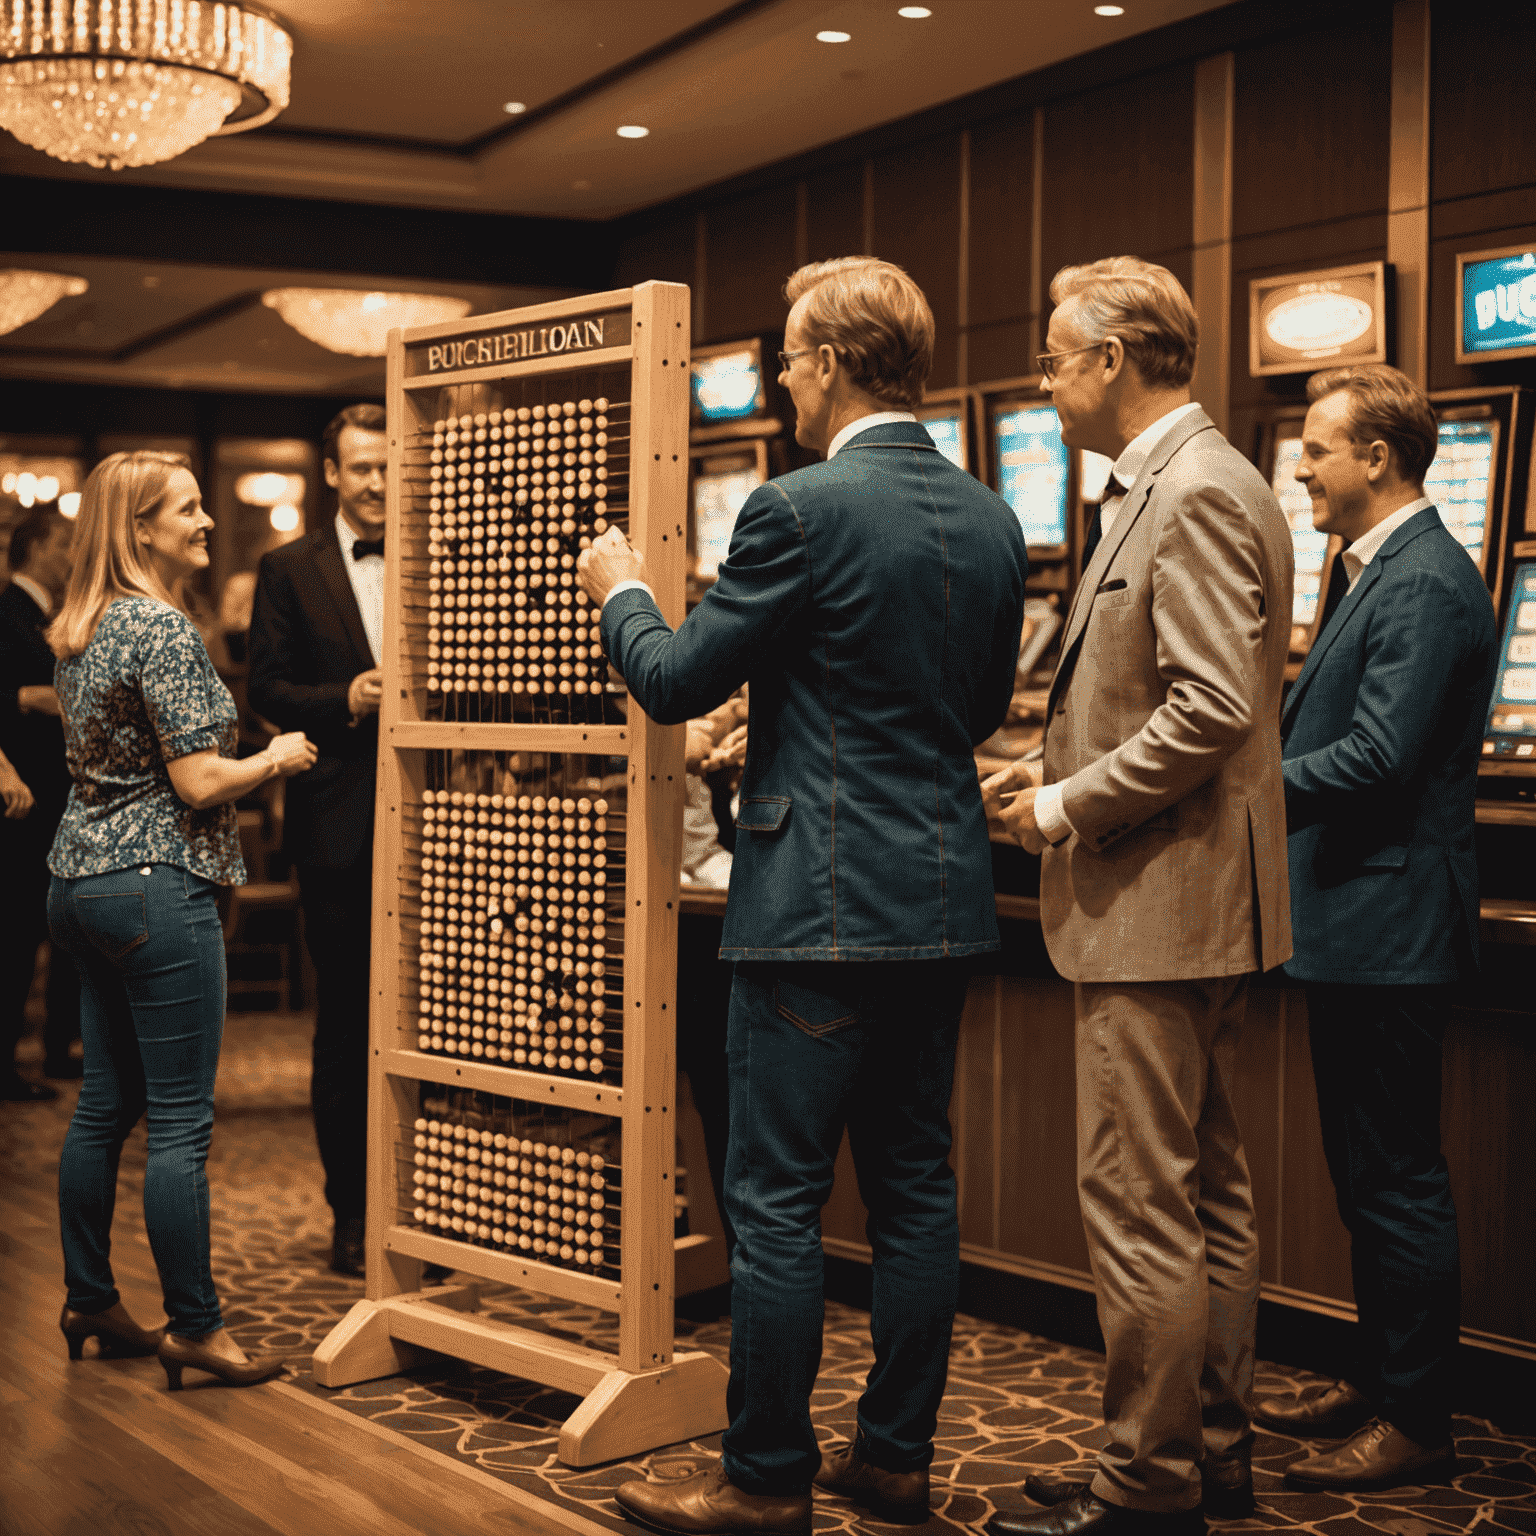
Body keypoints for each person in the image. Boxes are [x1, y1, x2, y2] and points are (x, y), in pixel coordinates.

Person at [586, 256, 1028, 1536]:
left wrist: (618, 582)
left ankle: (764, 1480)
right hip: (943, 899)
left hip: (813, 908)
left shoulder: (797, 507)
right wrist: (780, 727)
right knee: (915, 1193)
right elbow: (970, 710)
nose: (781, 377)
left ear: (831, 363)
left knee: (774, 1200)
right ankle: (894, 1460)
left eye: (787, 356)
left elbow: (670, 676)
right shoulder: (992, 518)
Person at [982, 258, 1293, 1536]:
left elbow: (1211, 708)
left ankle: (1145, 1484)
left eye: (1057, 358)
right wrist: (1048, 763)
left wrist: (1061, 807)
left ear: (1115, 359)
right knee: (1206, 1195)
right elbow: (1153, 695)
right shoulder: (1186, 482)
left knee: (1144, 1205)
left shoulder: (1196, 489)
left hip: (1162, 905)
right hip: (1194, 902)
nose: (1046, 382)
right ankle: (1203, 1456)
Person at [1252, 364, 1498, 1490]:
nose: (1299, 464)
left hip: (1391, 923)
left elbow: (1382, 758)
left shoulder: (1428, 581)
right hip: (1357, 921)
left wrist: (1241, 789)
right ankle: (1381, 1379)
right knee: (1364, 1176)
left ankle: (1417, 1423)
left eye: (1315, 447)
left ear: (1379, 461)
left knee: (1395, 1177)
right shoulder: (1376, 570)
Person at [45, 451, 316, 1386]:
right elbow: (199, 780)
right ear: (140, 532)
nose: (207, 523)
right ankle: (196, 1326)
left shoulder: (78, 631)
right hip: (155, 886)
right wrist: (276, 758)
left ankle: (88, 1295)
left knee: (102, 1106)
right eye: (189, 509)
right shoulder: (161, 629)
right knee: (178, 1122)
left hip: (77, 883)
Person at [248, 403, 388, 1277]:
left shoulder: (441, 557)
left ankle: (423, 1212)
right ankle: (353, 1215)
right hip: (337, 827)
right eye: (362, 467)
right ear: (332, 474)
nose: (377, 482)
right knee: (345, 1026)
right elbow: (267, 687)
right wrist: (347, 699)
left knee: (427, 1031)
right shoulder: (287, 568)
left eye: (388, 466)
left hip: (437, 829)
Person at [1, 506, 81, 1098]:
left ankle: (57, 1047)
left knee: (51, 927)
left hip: (53, 798)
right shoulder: (8, 611)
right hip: (19, 801)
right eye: (66, 545)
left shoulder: (49, 616)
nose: (73, 556)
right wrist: (23, 698)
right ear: (41, 549)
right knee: (18, 931)